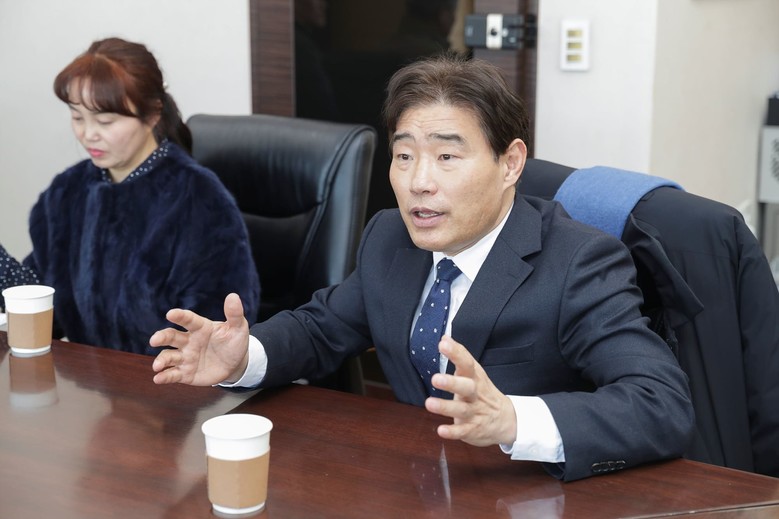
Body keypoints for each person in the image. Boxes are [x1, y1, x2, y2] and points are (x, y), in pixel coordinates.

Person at [149, 53, 693, 481]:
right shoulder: (390, 237)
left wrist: (513, 420)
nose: (419, 182)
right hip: (413, 481)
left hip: (527, 490)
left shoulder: (579, 261)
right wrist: (245, 355)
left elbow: (661, 404)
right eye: (404, 156)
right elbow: (321, 328)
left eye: (447, 157)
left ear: (510, 163)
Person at [0, 37, 260, 355]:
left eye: (105, 121)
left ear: (152, 114)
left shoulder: (199, 200)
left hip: (166, 379)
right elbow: (46, 308)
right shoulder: (67, 193)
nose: (88, 134)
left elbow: (216, 335)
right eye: (77, 117)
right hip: (87, 382)